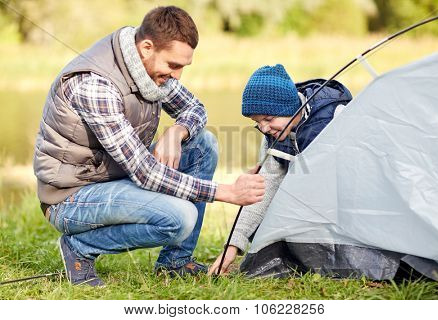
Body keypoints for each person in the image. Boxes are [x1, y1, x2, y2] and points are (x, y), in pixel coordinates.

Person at [33, 6, 265, 287]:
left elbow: (195, 108)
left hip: (115, 179)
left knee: (203, 143)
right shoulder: (96, 86)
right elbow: (146, 173)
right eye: (173, 65)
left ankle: (175, 263)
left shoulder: (150, 70)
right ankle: (79, 247)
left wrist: (177, 131)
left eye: (182, 66)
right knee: (181, 218)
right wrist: (227, 192)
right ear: (146, 47)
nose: (177, 76)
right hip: (70, 198)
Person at [209, 64, 352, 275]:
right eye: (257, 122)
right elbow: (262, 190)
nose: (264, 128)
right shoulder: (273, 136)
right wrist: (232, 247)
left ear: (291, 108)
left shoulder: (335, 117)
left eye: (268, 119)